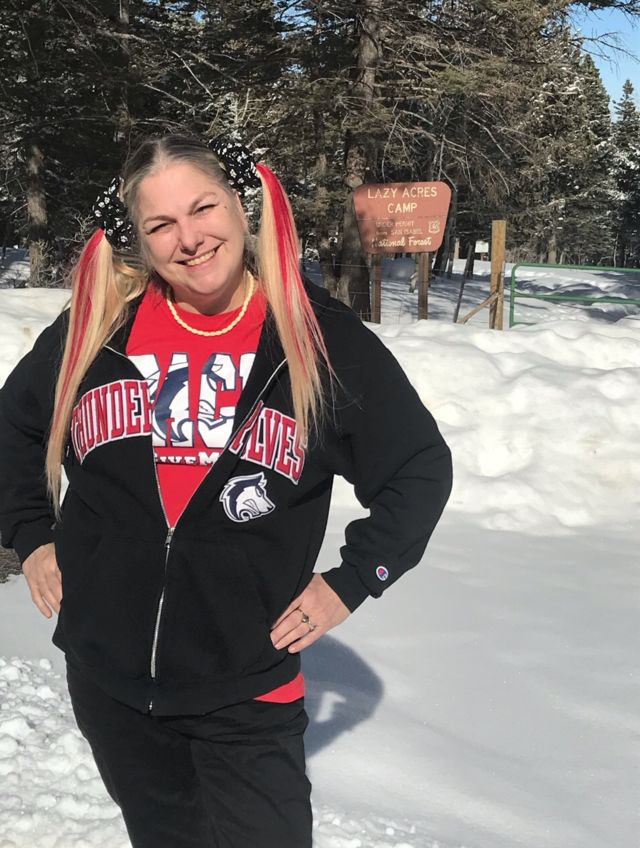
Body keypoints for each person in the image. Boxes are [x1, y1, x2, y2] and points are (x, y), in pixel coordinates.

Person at [0, 134, 452, 848]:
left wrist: (352, 581)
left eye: (203, 208)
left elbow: (417, 468)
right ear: (139, 240)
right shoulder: (98, 328)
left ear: (241, 209)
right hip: (109, 681)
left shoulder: (315, 337)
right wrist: (31, 535)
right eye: (161, 224)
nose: (189, 239)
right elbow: (14, 428)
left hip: (246, 689)